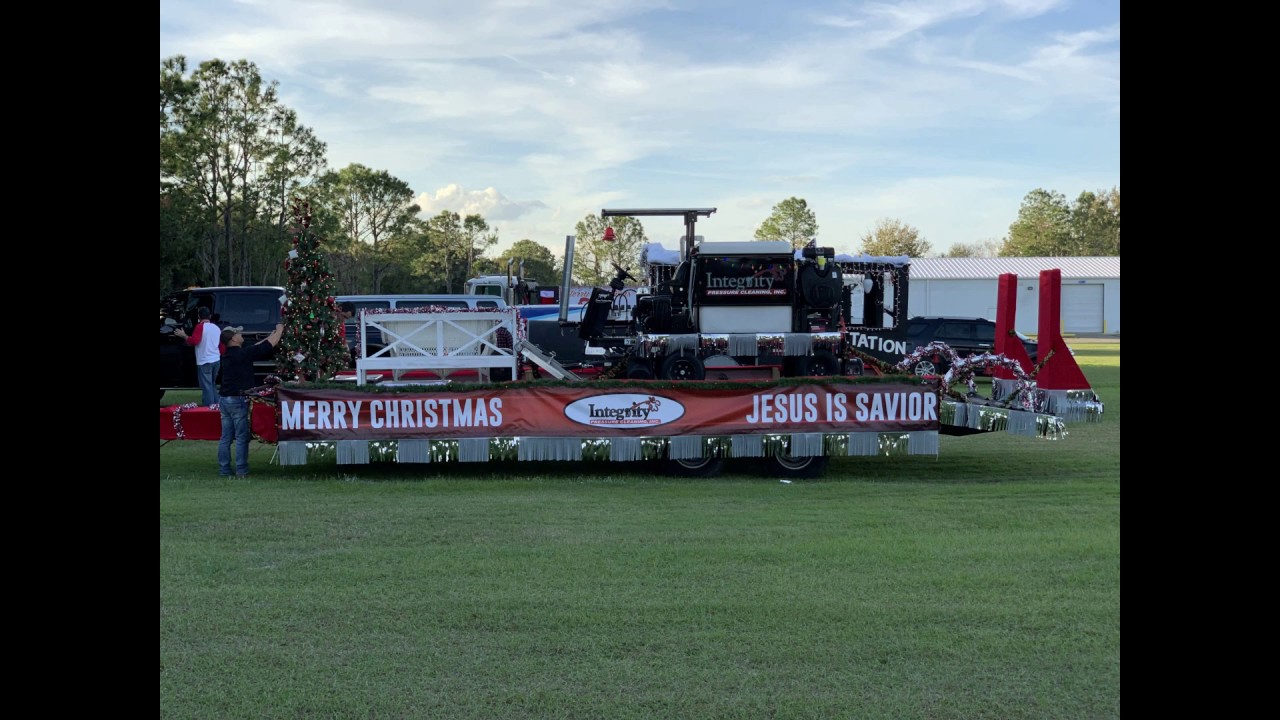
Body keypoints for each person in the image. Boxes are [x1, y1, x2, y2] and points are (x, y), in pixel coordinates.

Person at [217, 322, 284, 477]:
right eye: (239, 334)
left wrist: (271, 334)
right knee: (241, 437)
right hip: (238, 400)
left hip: (225, 400)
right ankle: (241, 470)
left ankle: (224, 470)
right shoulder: (242, 355)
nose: (242, 335)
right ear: (233, 339)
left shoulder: (228, 354)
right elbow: (268, 345)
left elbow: (257, 346)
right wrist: (280, 330)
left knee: (225, 438)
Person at [173, 306, 222, 407]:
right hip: (216, 360)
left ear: (199, 316)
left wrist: (183, 335)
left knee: (206, 387)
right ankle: (217, 406)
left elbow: (194, 341)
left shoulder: (199, 327)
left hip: (204, 361)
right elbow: (221, 346)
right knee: (212, 385)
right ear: (210, 316)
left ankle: (209, 408)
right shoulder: (216, 328)